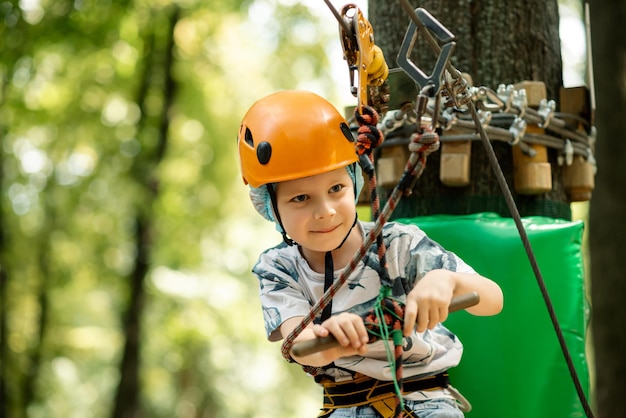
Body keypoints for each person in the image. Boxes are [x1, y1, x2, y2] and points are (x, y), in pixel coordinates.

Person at [237, 89, 503, 418]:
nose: (325, 212)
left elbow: (493, 299)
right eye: (300, 198)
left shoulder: (398, 243)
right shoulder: (279, 269)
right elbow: (300, 344)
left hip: (425, 402)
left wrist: (445, 280)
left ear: (355, 181)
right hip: (344, 408)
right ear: (270, 207)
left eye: (336, 189)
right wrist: (330, 336)